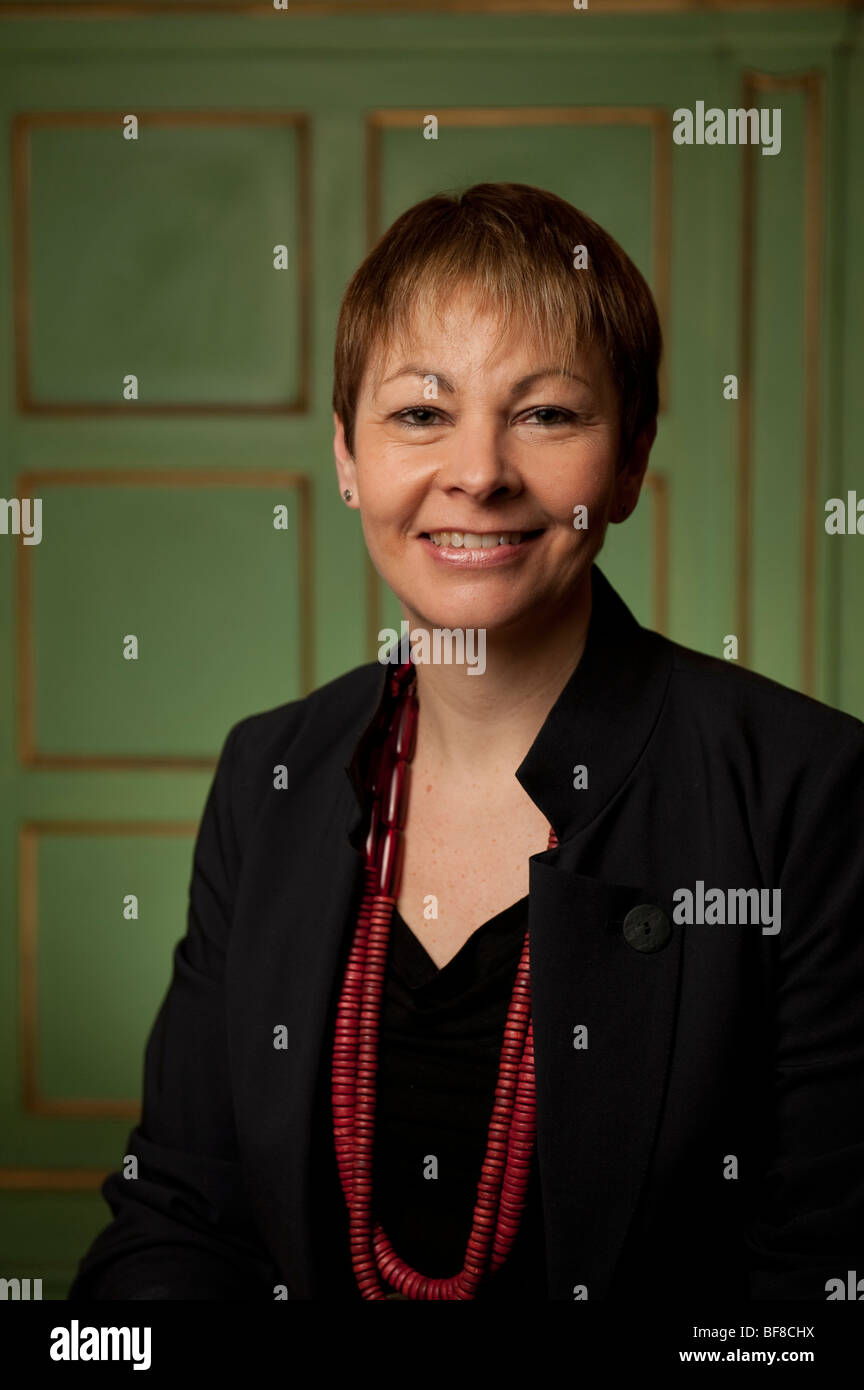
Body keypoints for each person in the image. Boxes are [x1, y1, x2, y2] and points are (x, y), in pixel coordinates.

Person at [69, 182, 864, 1301]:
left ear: (630, 462)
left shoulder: (808, 788)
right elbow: (180, 1214)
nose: (480, 472)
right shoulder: (269, 772)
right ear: (347, 456)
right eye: (421, 414)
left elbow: (825, 1277)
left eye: (546, 414)